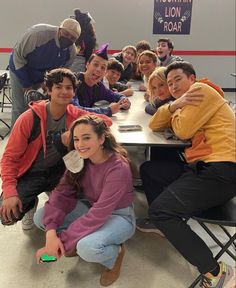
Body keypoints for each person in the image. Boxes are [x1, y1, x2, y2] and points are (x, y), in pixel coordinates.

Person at [139, 61, 236, 287]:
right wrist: (174, 106)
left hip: (222, 170)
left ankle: (218, 272)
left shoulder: (201, 90)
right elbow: (154, 123)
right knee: (150, 170)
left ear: (192, 78)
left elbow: (183, 130)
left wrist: (175, 108)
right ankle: (161, 225)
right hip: (205, 166)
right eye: (169, 83)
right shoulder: (184, 100)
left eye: (177, 80)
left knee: (161, 210)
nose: (172, 87)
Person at [0, 68, 112, 231]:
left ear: (74, 92)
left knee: (84, 203)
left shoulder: (74, 115)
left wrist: (74, 131)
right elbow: (9, 158)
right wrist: (10, 192)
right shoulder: (29, 118)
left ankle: (56, 194)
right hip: (31, 173)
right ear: (49, 90)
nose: (64, 91)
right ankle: (31, 203)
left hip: (61, 172)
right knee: (7, 217)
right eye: (58, 87)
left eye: (69, 88)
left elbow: (106, 121)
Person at [34, 114, 135, 287]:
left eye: (87, 138)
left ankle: (116, 253)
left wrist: (61, 245)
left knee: (87, 248)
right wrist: (51, 234)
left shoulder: (118, 168)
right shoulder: (77, 158)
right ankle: (79, 238)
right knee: (41, 217)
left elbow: (99, 215)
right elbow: (61, 194)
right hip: (92, 207)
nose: (80, 145)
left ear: (102, 138)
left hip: (118, 216)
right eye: (76, 139)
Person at [9, 18, 81, 127]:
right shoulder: (38, 34)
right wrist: (26, 85)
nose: (68, 39)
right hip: (20, 68)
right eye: (66, 34)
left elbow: (60, 73)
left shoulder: (71, 51)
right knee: (20, 107)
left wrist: (48, 83)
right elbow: (17, 57)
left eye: (73, 38)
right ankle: (15, 139)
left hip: (40, 74)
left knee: (36, 107)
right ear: (59, 29)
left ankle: (34, 137)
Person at [72, 44, 131, 116]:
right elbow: (75, 110)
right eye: (96, 65)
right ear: (87, 64)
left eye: (103, 67)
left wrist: (124, 101)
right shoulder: (73, 82)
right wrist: (108, 110)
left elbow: (114, 96)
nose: (98, 70)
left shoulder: (98, 86)